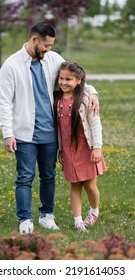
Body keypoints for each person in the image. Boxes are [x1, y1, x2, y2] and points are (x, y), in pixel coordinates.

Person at [0, 21, 99, 234]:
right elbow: (4, 102)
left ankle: (47, 216)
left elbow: (75, 78)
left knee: (48, 175)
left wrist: (93, 93)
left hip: (50, 133)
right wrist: (8, 134)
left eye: (51, 46)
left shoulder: (53, 60)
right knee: (24, 177)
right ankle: (25, 219)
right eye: (46, 45)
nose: (48, 50)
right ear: (34, 40)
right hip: (24, 133)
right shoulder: (11, 65)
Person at [54, 61, 106, 232]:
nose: (63, 82)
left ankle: (94, 211)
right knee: (75, 185)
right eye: (61, 78)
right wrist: (61, 149)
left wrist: (97, 148)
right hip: (69, 151)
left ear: (78, 80)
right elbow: (61, 130)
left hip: (86, 148)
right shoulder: (58, 101)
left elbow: (95, 124)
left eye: (68, 79)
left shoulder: (85, 99)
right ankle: (78, 221)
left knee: (90, 186)